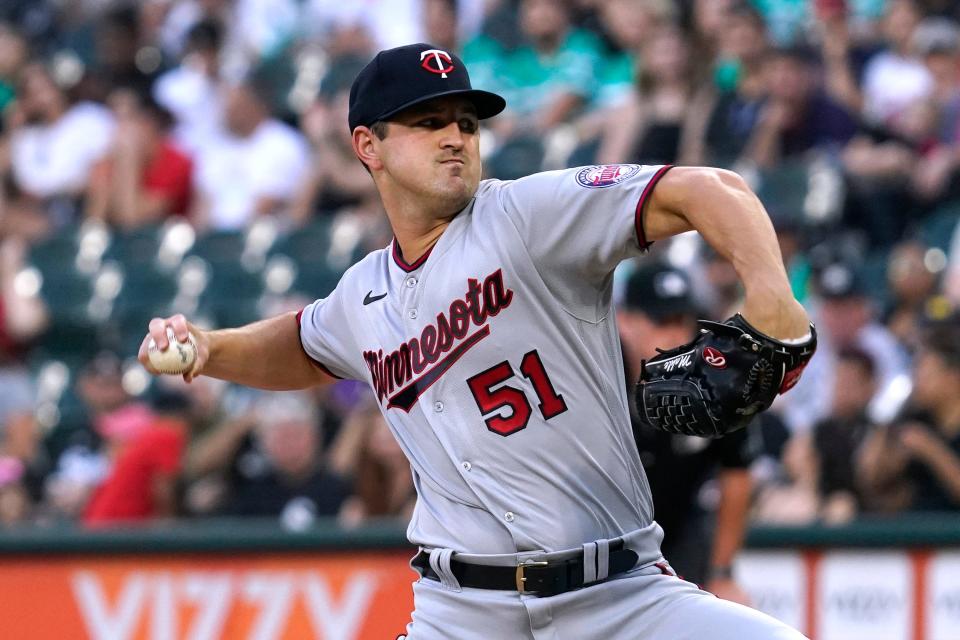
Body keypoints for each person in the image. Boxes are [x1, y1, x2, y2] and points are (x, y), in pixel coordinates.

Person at [140, 43, 812, 639]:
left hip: (619, 598)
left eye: (466, 122)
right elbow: (300, 345)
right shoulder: (364, 293)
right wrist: (208, 348)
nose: (455, 137)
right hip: (458, 613)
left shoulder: (526, 216)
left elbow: (708, 188)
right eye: (428, 123)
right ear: (367, 146)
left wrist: (773, 304)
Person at [618, 261, 754, 603]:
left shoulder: (712, 386)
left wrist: (722, 572)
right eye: (661, 322)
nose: (675, 335)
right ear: (624, 321)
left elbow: (737, 471)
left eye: (682, 322)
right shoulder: (593, 378)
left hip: (679, 535)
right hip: (604, 543)